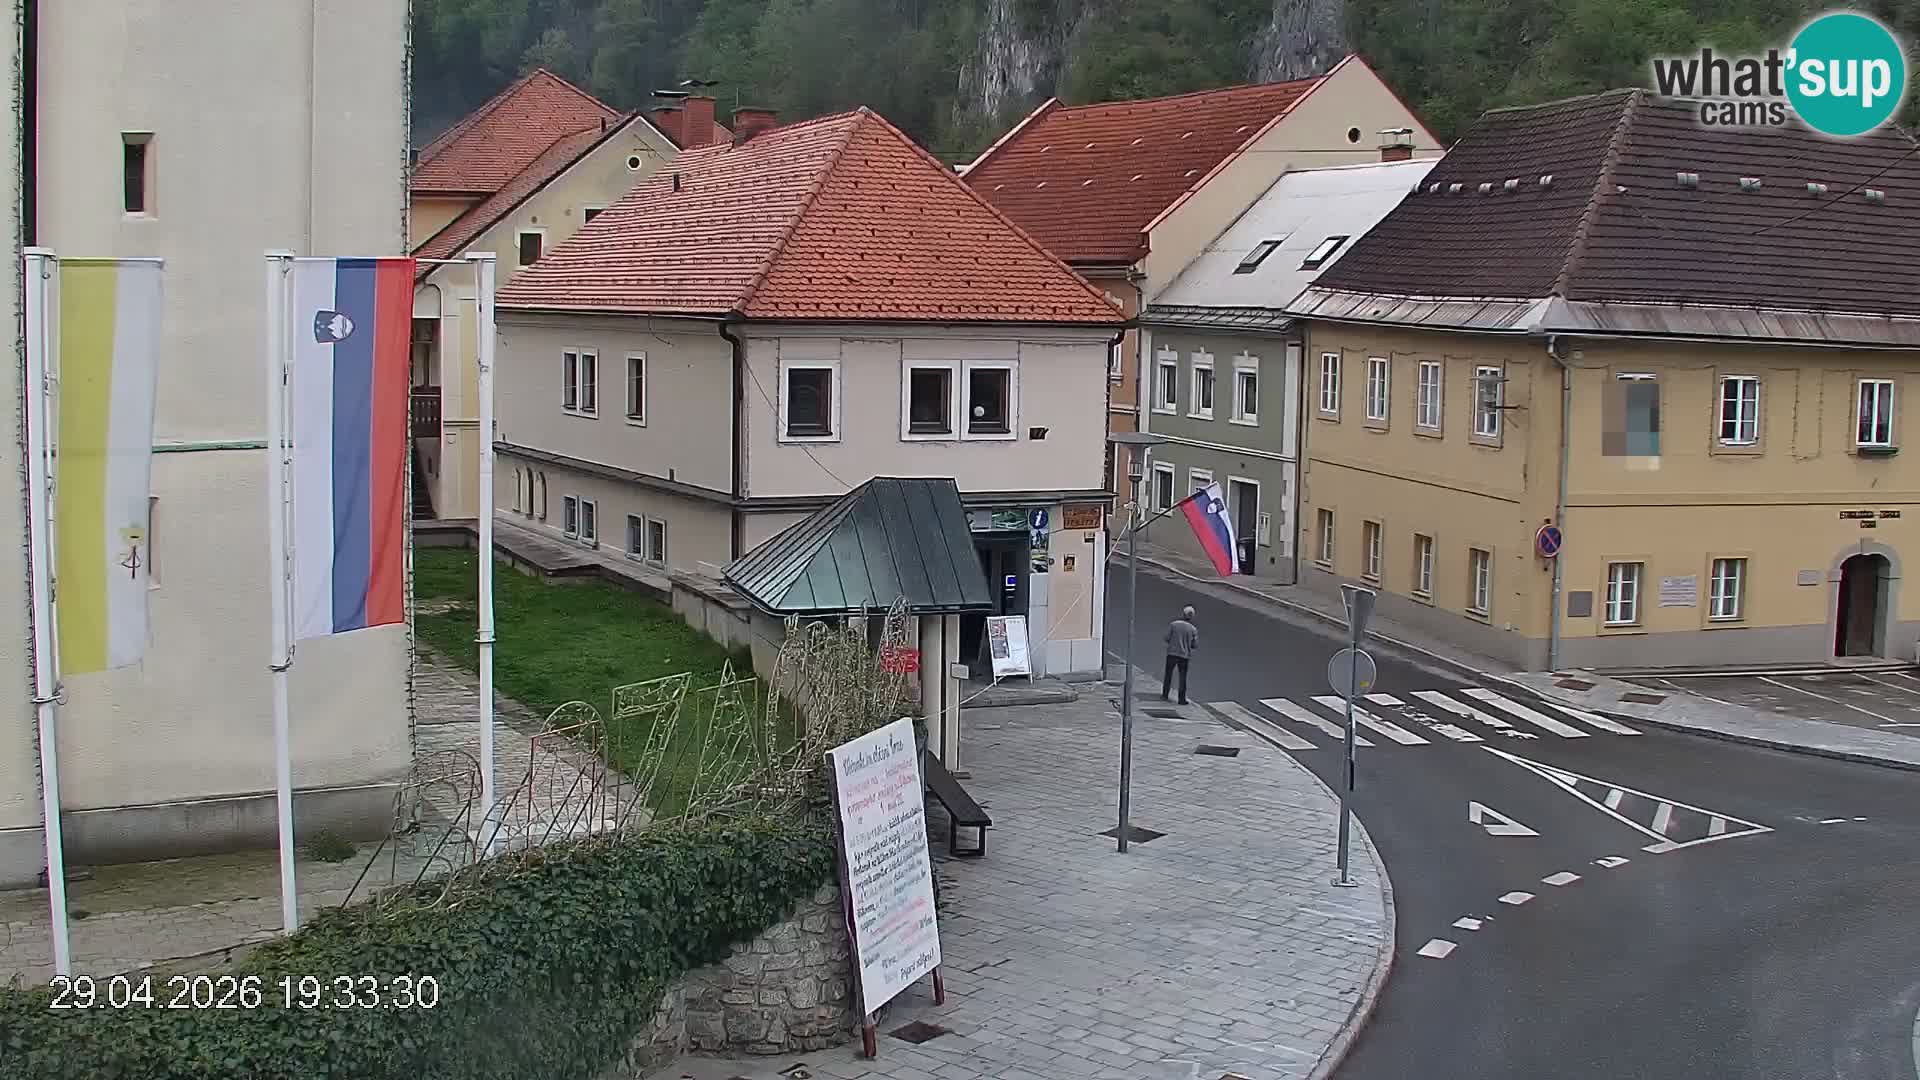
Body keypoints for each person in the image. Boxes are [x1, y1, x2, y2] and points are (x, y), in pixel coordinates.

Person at [1163, 606, 1198, 705]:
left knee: (1168, 674)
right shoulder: (1193, 629)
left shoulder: (1173, 624)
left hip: (1172, 653)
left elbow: (1166, 638)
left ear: (1183, 614)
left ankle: (1165, 694)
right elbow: (1194, 645)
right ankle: (1181, 699)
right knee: (1182, 678)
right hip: (1184, 656)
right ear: (1191, 617)